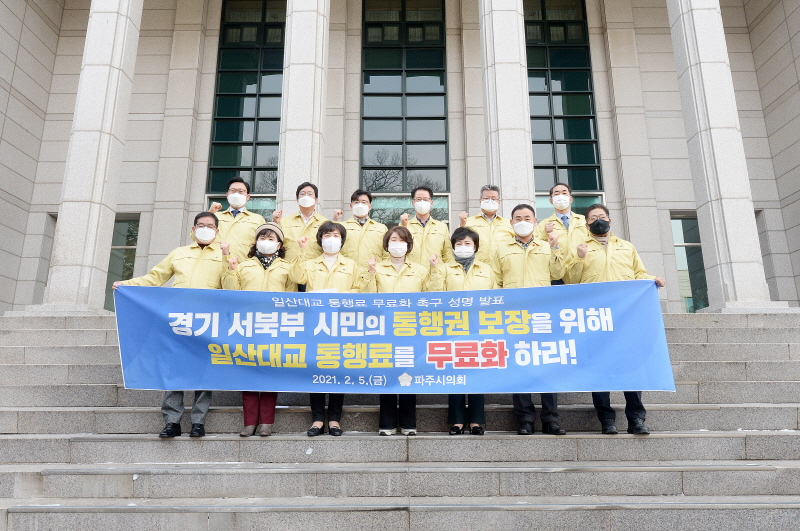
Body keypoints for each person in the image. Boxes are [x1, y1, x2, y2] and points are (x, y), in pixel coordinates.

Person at [112, 212, 227, 439]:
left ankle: (198, 421)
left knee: (204, 371)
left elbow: (234, 284)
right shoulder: (179, 254)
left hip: (208, 320)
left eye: (210, 226)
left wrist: (228, 259)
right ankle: (172, 421)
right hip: (179, 319)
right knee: (174, 368)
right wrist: (127, 285)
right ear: (193, 230)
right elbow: (155, 277)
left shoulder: (225, 256)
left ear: (217, 231)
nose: (205, 229)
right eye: (201, 225)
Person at [569, 203, 666, 436]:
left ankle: (636, 418)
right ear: (586, 224)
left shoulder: (626, 247)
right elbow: (570, 279)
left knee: (630, 366)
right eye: (593, 218)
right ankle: (606, 418)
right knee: (599, 368)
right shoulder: (580, 248)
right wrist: (579, 259)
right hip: (594, 318)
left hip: (625, 318)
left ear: (610, 221)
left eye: (602, 217)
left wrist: (653, 279)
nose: (598, 221)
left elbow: (638, 274)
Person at [490, 203, 568, 436]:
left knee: (546, 366)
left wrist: (555, 249)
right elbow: (496, 282)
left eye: (527, 217)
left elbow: (558, 274)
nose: (522, 221)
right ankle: (525, 419)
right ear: (511, 223)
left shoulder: (546, 246)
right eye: (517, 218)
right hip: (514, 315)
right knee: (520, 367)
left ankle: (550, 418)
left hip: (542, 314)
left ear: (535, 222)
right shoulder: (501, 249)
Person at [290, 221, 369, 437]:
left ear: (342, 240)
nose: (331, 238)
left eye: (335, 235)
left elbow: (358, 290)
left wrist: (340, 298)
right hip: (316, 324)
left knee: (337, 369)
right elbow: (296, 278)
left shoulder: (351, 265)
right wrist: (300, 251)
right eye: (327, 235)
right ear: (320, 239)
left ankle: (334, 419)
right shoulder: (309, 263)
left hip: (340, 323)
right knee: (316, 370)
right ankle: (317, 419)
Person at [363, 226, 442, 435]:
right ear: (387, 245)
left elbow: (432, 296)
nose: (397, 244)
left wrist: (434, 269)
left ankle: (408, 424)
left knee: (408, 374)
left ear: (408, 245)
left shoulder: (420, 269)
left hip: (411, 329)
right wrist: (370, 273)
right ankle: (386, 424)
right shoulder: (378, 268)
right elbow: (368, 297)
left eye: (402, 240)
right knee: (387, 373)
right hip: (385, 329)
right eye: (393, 240)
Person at [222, 222, 295, 437]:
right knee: (249, 372)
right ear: (256, 242)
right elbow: (231, 291)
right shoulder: (244, 265)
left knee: (270, 372)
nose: (267, 242)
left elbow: (291, 297)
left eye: (271, 238)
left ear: (279, 244)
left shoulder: (286, 268)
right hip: (248, 326)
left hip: (275, 326)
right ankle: (249, 422)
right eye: (263, 238)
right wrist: (230, 270)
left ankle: (266, 422)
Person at [441, 227, 497, 435]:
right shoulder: (445, 268)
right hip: (453, 326)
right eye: (459, 244)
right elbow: (437, 293)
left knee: (476, 373)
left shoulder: (486, 270)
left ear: (475, 247)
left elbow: (495, 298)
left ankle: (476, 421)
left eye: (467, 244)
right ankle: (456, 421)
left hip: (479, 327)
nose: (463, 247)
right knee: (455, 373)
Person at [533, 182, 588, 285]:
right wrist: (545, 234)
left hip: (581, 270)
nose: (560, 196)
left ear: (570, 199)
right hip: (556, 274)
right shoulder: (544, 224)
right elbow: (535, 246)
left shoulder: (583, 220)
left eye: (564, 193)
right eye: (556, 194)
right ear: (551, 200)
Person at [208, 177, 267, 262]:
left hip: (243, 268)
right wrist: (209, 214)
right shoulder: (215, 216)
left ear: (247, 197)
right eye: (233, 191)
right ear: (227, 195)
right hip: (216, 267)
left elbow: (263, 247)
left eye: (241, 191)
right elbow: (195, 236)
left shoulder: (258, 219)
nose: (236, 194)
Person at [274, 182, 330, 264]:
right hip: (289, 269)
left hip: (315, 271)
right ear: (297, 200)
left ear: (316, 199)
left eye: (310, 194)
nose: (306, 197)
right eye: (302, 194)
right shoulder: (284, 221)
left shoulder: (325, 223)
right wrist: (275, 223)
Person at [458, 184, 514, 264]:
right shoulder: (467, 222)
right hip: (476, 270)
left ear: (499, 202)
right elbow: (457, 243)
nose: (490, 201)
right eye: (486, 198)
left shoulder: (509, 223)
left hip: (502, 270)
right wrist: (462, 225)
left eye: (493, 199)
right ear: (480, 201)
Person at [399, 186, 454, 265]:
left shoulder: (442, 227)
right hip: (411, 274)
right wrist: (403, 226)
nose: (422, 202)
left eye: (425, 199)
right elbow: (399, 251)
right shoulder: (405, 225)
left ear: (431, 203)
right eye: (418, 199)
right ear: (413, 203)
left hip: (435, 273)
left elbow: (447, 255)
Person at [340, 189, 388, 274]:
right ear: (351, 206)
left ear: (370, 206)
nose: (360, 205)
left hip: (373, 276)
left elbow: (387, 255)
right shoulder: (342, 227)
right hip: (348, 275)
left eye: (364, 202)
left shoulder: (381, 228)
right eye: (356, 202)